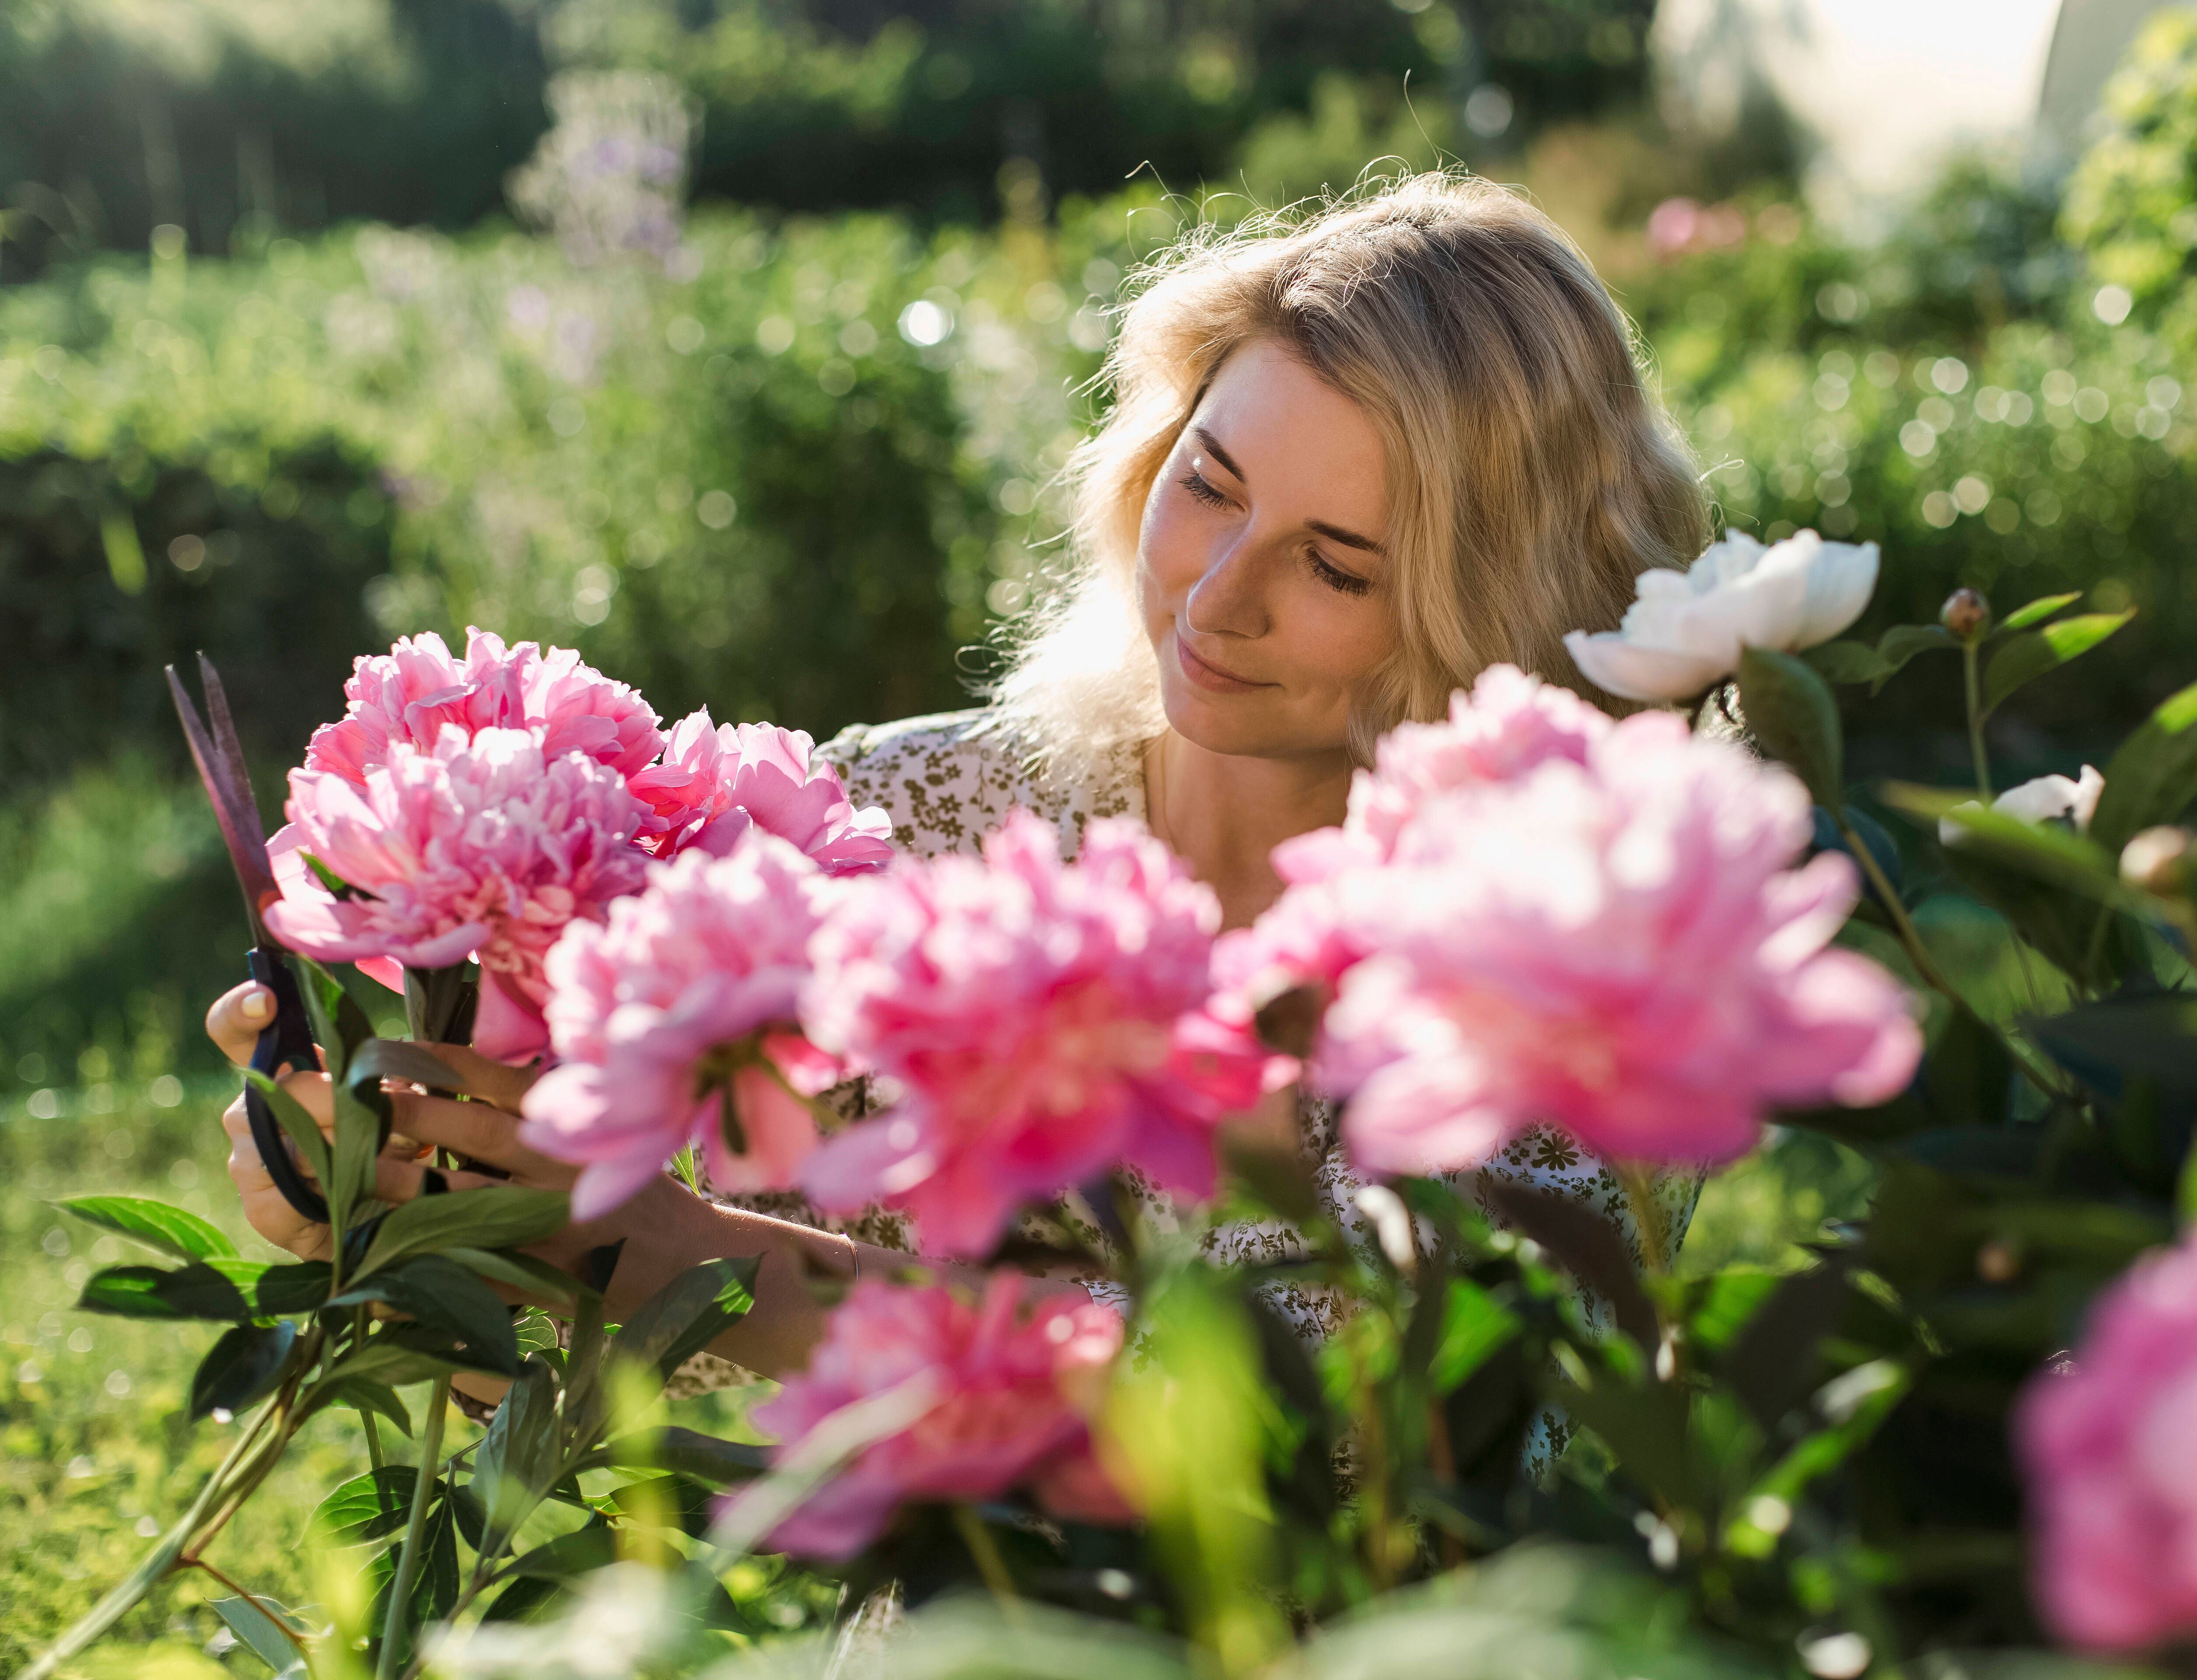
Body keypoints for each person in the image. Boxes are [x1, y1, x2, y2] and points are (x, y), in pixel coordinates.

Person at [203, 168, 1719, 1400]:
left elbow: (1331, 1436)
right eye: (1210, 483)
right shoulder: (907, 819)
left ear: (1486, 614)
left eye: (1333, 566)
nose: (1214, 597)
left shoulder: (1566, 985)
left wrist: (690, 1267)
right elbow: (608, 1319)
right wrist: (425, 1183)